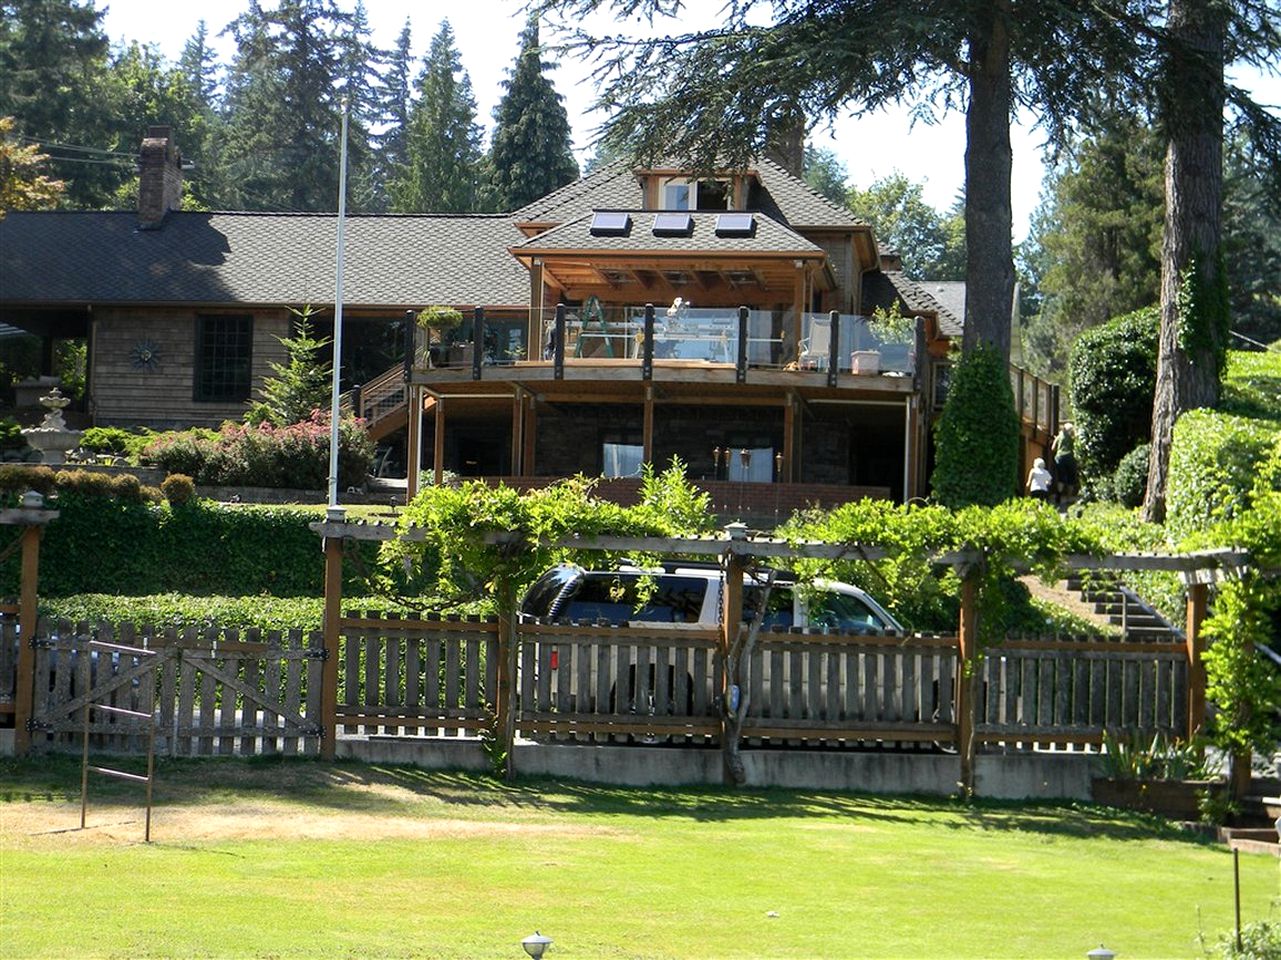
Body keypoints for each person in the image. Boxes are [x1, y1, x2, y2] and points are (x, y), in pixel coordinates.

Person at [1052, 422, 1078, 500]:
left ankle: (1058, 495)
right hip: (1070, 457)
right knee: (1071, 478)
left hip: (1060, 457)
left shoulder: (1059, 436)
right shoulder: (1073, 437)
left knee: (1061, 478)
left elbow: (1053, 448)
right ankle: (1069, 498)